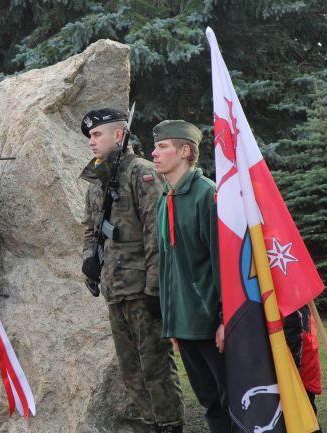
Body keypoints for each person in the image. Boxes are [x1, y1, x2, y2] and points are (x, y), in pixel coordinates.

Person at [80, 109, 184, 433]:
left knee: (155, 364)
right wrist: (90, 263)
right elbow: (91, 229)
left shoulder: (142, 174)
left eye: (97, 135)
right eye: (90, 136)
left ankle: (170, 424)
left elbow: (157, 234)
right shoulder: (97, 181)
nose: (91, 142)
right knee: (130, 368)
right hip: (115, 288)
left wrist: (155, 287)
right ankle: (150, 423)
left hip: (141, 289)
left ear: (118, 135)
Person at [152, 120, 235, 433]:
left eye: (162, 146)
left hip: (211, 325)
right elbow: (168, 264)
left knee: (233, 400)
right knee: (209, 402)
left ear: (185, 151)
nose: (154, 152)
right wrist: (172, 320)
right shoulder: (166, 198)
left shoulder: (207, 195)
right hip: (184, 324)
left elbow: (223, 263)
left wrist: (227, 319)